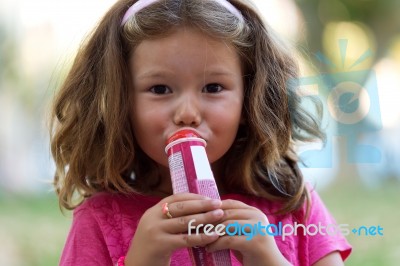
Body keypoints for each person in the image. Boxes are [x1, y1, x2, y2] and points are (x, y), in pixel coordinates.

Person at [50, 0, 352, 265]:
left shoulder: (295, 204)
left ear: (248, 101)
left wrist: (268, 259)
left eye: (213, 88)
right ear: (122, 104)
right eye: (159, 89)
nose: (187, 113)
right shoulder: (99, 220)